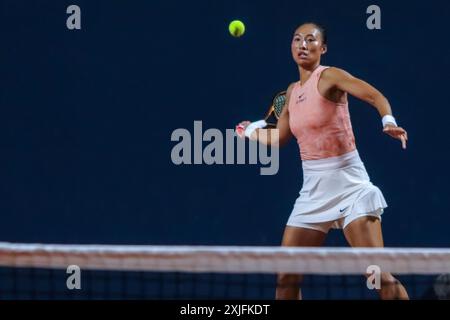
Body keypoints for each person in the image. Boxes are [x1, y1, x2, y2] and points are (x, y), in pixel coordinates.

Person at [236, 22, 409, 300]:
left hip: (351, 186)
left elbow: (375, 96)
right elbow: (279, 137)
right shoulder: (291, 92)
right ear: (291, 46)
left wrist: (388, 120)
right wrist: (250, 132)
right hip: (313, 192)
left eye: (310, 40)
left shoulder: (330, 77)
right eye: (297, 40)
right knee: (286, 278)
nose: (303, 45)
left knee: (377, 275)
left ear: (322, 48)